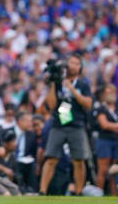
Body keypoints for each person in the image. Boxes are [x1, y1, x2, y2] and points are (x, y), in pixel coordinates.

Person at [39, 54, 92, 195]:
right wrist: (52, 83)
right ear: (66, 65)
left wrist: (72, 90)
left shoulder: (83, 84)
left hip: (77, 124)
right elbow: (51, 105)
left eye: (77, 63)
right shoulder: (57, 82)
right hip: (58, 124)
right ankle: (42, 191)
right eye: (71, 62)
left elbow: (88, 104)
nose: (73, 65)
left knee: (79, 160)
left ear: (80, 67)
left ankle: (79, 192)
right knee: (51, 158)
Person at [94, 83, 118, 195]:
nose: (110, 95)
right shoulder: (101, 108)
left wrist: (111, 125)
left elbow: (108, 124)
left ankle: (114, 196)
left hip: (116, 141)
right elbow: (104, 124)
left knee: (115, 170)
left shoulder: (116, 108)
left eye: (112, 92)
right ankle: (98, 195)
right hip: (104, 140)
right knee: (103, 170)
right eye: (108, 93)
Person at [13, 111, 38, 193]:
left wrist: (30, 156)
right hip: (11, 160)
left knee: (33, 165)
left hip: (25, 162)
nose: (31, 123)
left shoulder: (31, 135)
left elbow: (33, 151)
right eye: (28, 121)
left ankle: (32, 191)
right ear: (20, 121)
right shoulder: (7, 131)